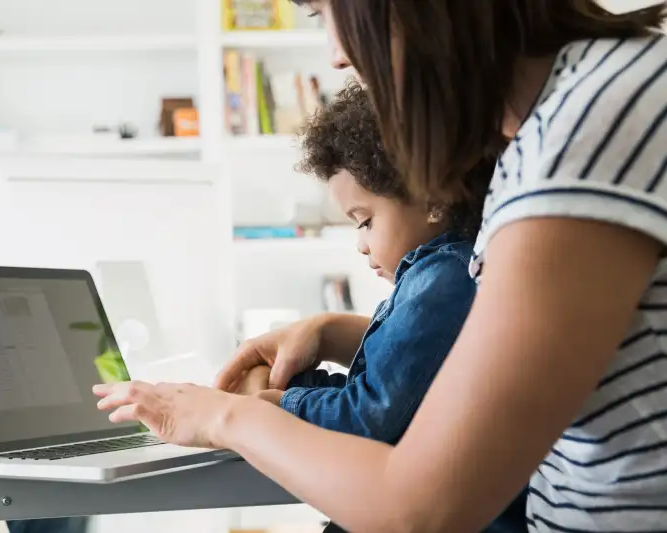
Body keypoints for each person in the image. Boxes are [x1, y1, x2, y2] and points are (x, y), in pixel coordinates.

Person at [94, 1, 667, 531]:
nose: (337, 54)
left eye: (327, 12)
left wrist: (225, 418)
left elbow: (420, 508)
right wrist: (339, 333)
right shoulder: (574, 112)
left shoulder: (587, 129)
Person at [232, 80, 524, 533]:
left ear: (433, 198)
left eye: (365, 222)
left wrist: (270, 405)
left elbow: (369, 416)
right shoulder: (436, 275)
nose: (362, 246)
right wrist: (286, 385)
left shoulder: (443, 283)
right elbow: (380, 389)